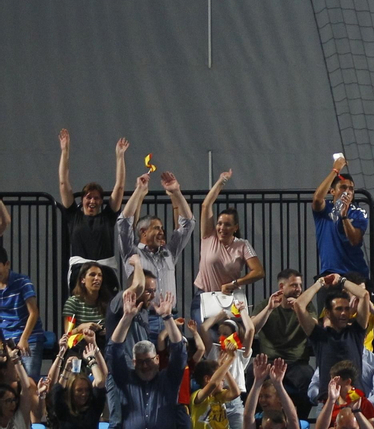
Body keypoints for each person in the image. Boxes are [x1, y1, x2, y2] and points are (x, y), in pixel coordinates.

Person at [107, 285, 186, 429]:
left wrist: (168, 318)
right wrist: (127, 318)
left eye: (149, 360)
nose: (144, 365)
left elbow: (180, 351)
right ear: (133, 361)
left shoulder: (168, 379)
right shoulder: (125, 378)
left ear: (157, 359)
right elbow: (113, 351)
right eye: (139, 361)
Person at [57, 129, 125, 294]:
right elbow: (63, 183)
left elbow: (120, 186)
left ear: (101, 201)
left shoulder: (108, 217)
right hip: (80, 271)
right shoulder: (74, 216)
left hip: (106, 271)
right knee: (79, 307)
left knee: (108, 309)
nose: (92, 201)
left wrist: (120, 157)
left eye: (96, 198)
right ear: (82, 200)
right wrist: (65, 151)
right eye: (88, 198)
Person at [192, 169, 263, 319]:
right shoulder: (209, 236)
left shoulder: (242, 245)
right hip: (204, 295)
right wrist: (221, 182)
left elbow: (258, 272)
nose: (222, 228)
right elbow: (206, 205)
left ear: (235, 228)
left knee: (229, 339)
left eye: (227, 225)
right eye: (219, 224)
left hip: (229, 297)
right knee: (205, 334)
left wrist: (236, 283)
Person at [116, 169, 195, 304]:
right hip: (143, 316)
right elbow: (124, 222)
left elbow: (188, 224)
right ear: (143, 232)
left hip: (169, 317)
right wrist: (139, 191)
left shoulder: (169, 253)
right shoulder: (131, 252)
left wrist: (177, 192)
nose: (161, 232)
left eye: (162, 228)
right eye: (156, 228)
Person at [250, 269, 315, 416]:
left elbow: (313, 328)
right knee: (250, 374)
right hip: (269, 362)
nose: (298, 289)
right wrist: (269, 309)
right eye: (294, 285)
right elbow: (252, 328)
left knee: (308, 377)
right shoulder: (266, 303)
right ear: (281, 287)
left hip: (296, 363)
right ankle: (256, 419)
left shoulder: (305, 305)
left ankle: (299, 420)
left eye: (299, 285)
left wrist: (299, 310)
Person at [311, 157, 369, 284]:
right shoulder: (325, 209)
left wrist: (344, 216)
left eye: (351, 189)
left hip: (355, 273)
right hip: (330, 273)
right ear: (332, 191)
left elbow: (354, 240)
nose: (347, 192)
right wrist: (335, 170)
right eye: (343, 187)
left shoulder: (359, 213)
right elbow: (316, 199)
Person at [0, 248, 41, 377]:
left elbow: (33, 313)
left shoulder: (23, 282)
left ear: (7, 264)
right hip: (5, 338)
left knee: (28, 380)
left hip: (29, 335)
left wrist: (24, 339)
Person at [63, 263, 113, 335]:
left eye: (100, 275)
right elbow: (68, 335)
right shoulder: (72, 303)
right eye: (92, 275)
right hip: (80, 344)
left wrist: (108, 331)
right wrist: (82, 327)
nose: (97, 278)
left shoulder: (109, 302)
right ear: (83, 279)